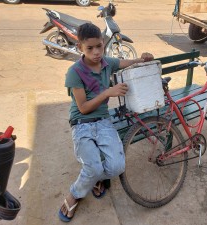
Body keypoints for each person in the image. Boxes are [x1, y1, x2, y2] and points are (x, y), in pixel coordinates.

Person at [59, 23, 153, 222]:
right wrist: (108, 92)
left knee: (117, 167)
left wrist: (142, 58)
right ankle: (75, 194)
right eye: (89, 48)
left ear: (104, 44)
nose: (96, 52)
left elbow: (125, 62)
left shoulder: (106, 62)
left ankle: (95, 178)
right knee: (93, 167)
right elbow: (83, 108)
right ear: (80, 49)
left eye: (99, 46)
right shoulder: (74, 72)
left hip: (103, 122)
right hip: (81, 123)